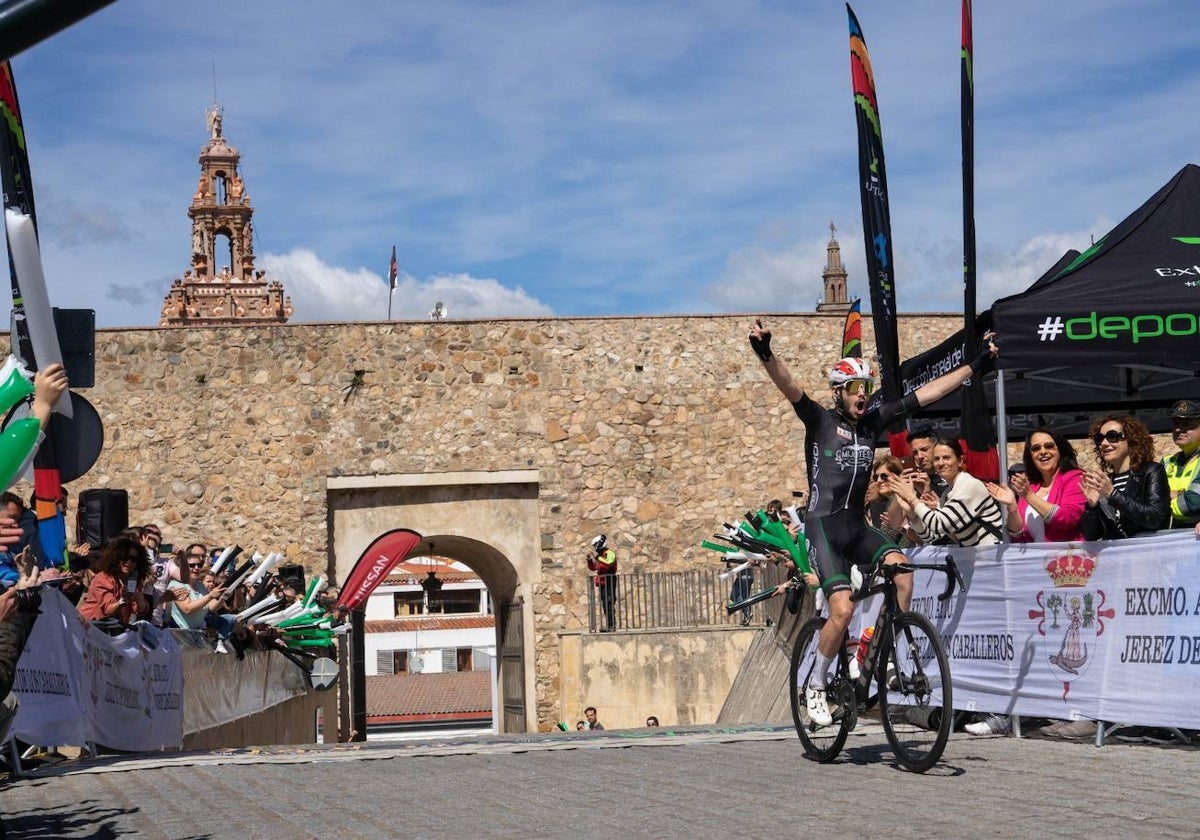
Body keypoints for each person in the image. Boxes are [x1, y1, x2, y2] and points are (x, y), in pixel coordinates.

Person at [748, 317, 995, 727]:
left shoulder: (874, 423)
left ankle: (886, 654)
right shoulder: (820, 421)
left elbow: (927, 394)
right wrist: (766, 353)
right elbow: (789, 386)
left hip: (857, 526)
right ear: (839, 393)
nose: (863, 396)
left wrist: (975, 367)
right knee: (842, 612)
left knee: (903, 573)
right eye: (855, 389)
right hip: (824, 527)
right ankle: (816, 681)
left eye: (866, 388)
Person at [891, 439, 1004, 548]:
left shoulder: (970, 485)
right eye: (936, 459)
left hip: (994, 557)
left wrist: (912, 499)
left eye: (946, 458)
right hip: (978, 559)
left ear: (960, 461)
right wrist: (911, 512)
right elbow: (930, 536)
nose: (940, 463)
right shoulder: (947, 493)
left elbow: (939, 525)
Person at [988, 428, 1085, 544]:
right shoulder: (1032, 486)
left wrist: (1028, 496)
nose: (1043, 452)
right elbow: (1018, 535)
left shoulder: (1074, 478)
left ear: (1060, 450)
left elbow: (1066, 518)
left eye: (1049, 446)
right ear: (1031, 455)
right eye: (1036, 448)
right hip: (1035, 560)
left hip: (1066, 559)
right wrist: (1012, 506)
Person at [1080, 416, 1170, 540]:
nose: (1104, 444)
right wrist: (1091, 508)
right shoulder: (1106, 482)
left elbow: (1155, 518)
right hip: (1116, 557)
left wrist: (1113, 494)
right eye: (1099, 439)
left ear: (1131, 440)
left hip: (1146, 554)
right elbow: (1091, 536)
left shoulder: (1151, 471)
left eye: (1112, 436)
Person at [77, 536, 152, 625]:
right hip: (92, 626)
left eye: (134, 559)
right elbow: (108, 610)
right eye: (125, 558)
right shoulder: (103, 578)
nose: (129, 562)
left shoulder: (134, 579)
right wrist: (121, 601)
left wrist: (141, 601)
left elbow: (140, 610)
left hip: (115, 628)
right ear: (116, 558)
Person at [865, 455, 917, 549]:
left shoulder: (909, 498)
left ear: (898, 476)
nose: (879, 481)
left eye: (884, 476)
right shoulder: (880, 504)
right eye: (876, 477)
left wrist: (900, 526)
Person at [1164, 400, 1200, 528]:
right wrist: (1180, 494)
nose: (1179, 429)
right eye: (1176, 424)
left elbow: (1194, 503)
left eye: (1187, 424)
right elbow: (1145, 500)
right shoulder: (1167, 462)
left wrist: (1160, 505)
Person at [587, 534, 617, 632]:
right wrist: (590, 561)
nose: (595, 547)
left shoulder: (610, 553)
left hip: (610, 579)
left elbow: (608, 563)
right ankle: (609, 625)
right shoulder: (600, 556)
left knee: (609, 601)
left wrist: (596, 558)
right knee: (605, 603)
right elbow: (594, 568)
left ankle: (612, 625)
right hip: (602, 581)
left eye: (596, 544)